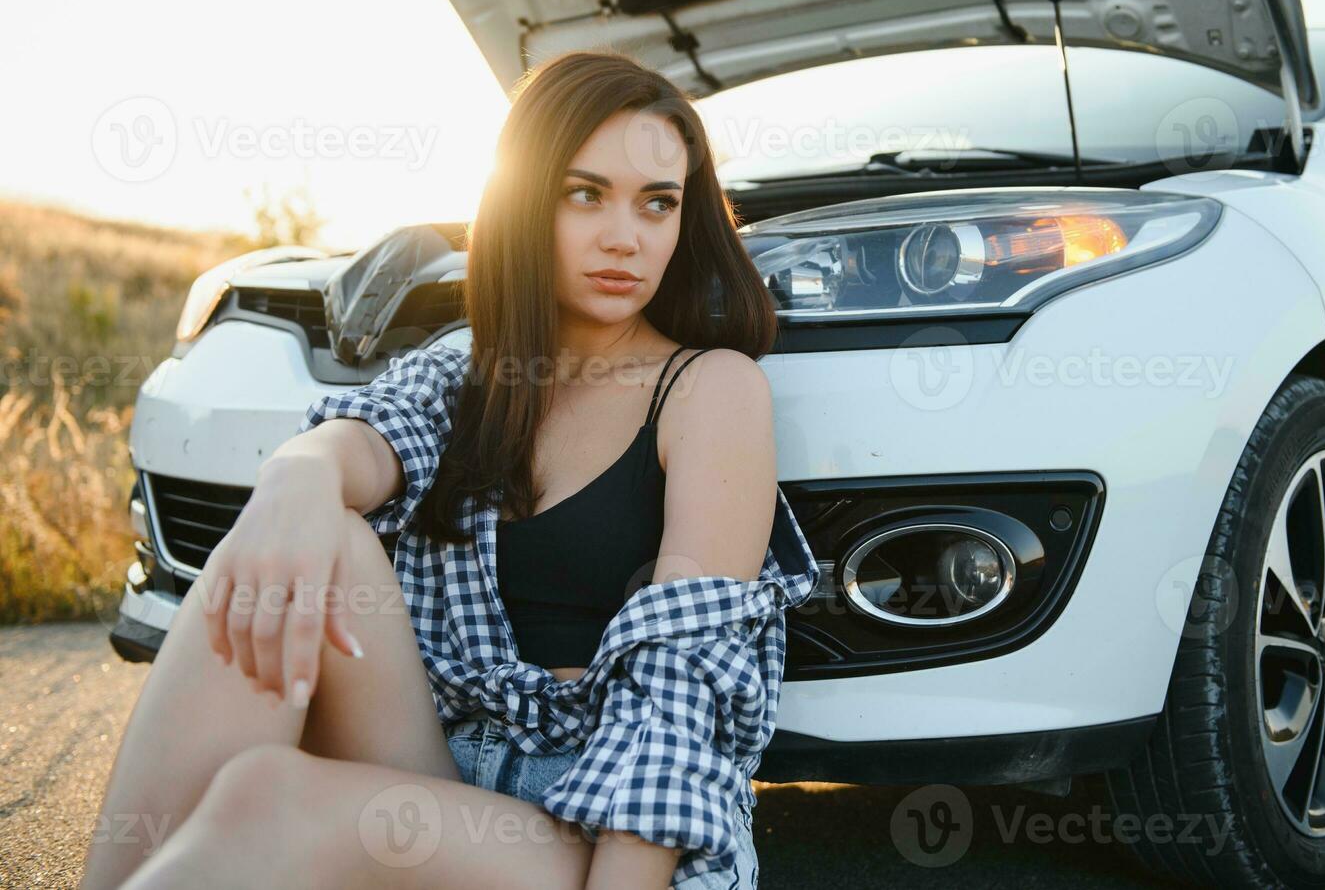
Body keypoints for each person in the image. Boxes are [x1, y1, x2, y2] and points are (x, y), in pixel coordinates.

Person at [80, 48, 819, 890]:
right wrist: (295, 480)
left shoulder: (708, 388)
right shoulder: (470, 369)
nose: (625, 236)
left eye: (658, 204)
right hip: (438, 772)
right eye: (585, 194)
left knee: (273, 798)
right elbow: (364, 438)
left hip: (597, 822)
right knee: (304, 543)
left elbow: (683, 694)